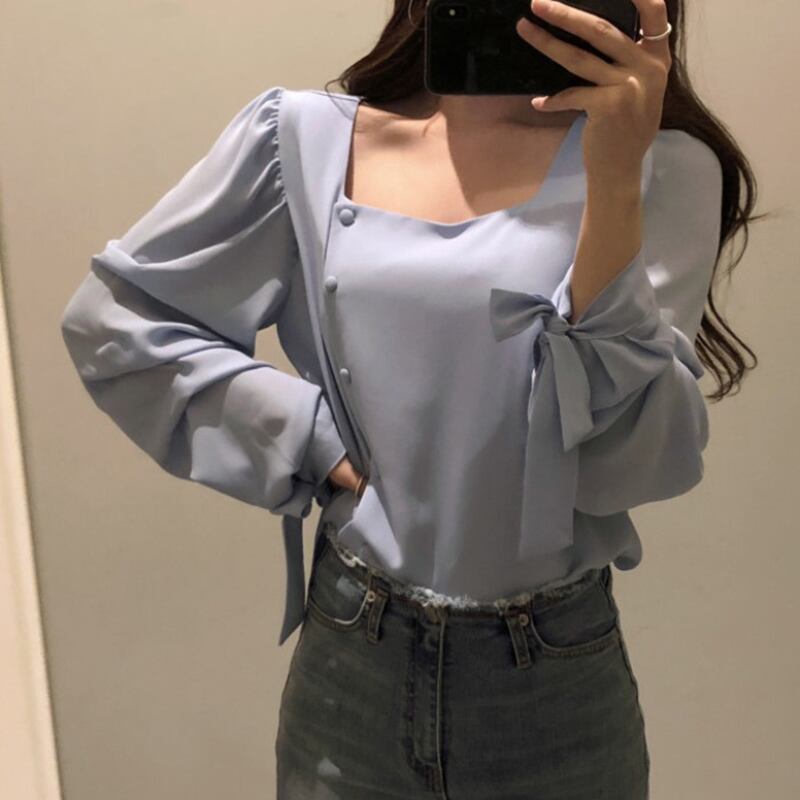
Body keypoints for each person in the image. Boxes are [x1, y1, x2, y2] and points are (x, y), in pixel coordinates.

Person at [61, 0, 760, 797]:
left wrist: (613, 178)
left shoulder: (664, 168)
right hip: (354, 658)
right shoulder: (306, 141)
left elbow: (619, 467)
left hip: (555, 682)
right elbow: (117, 322)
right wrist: (305, 436)